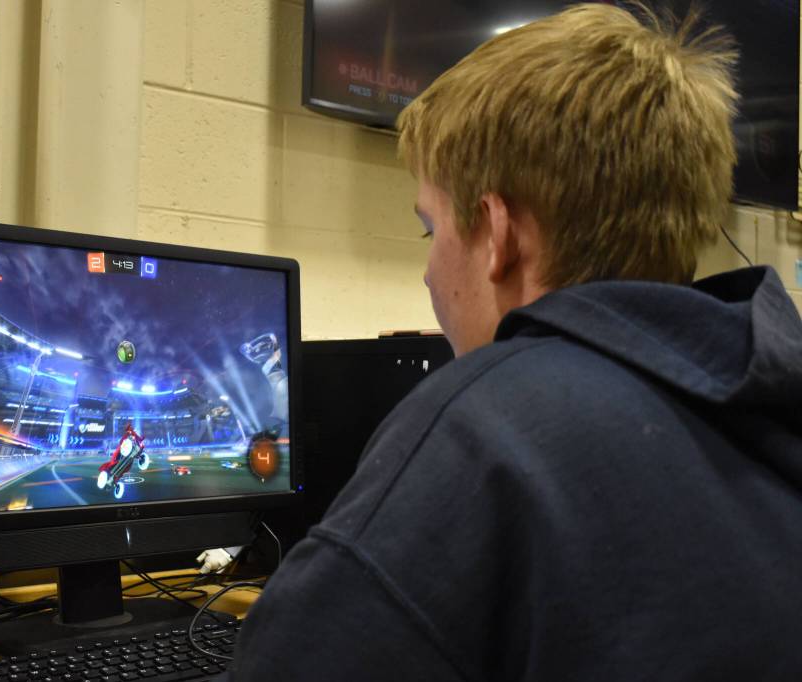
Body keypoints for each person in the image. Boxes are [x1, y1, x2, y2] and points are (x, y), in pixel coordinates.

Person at [222, 3, 802, 680]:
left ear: (498, 235)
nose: (429, 272)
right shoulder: (767, 390)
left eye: (430, 230)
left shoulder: (489, 423)